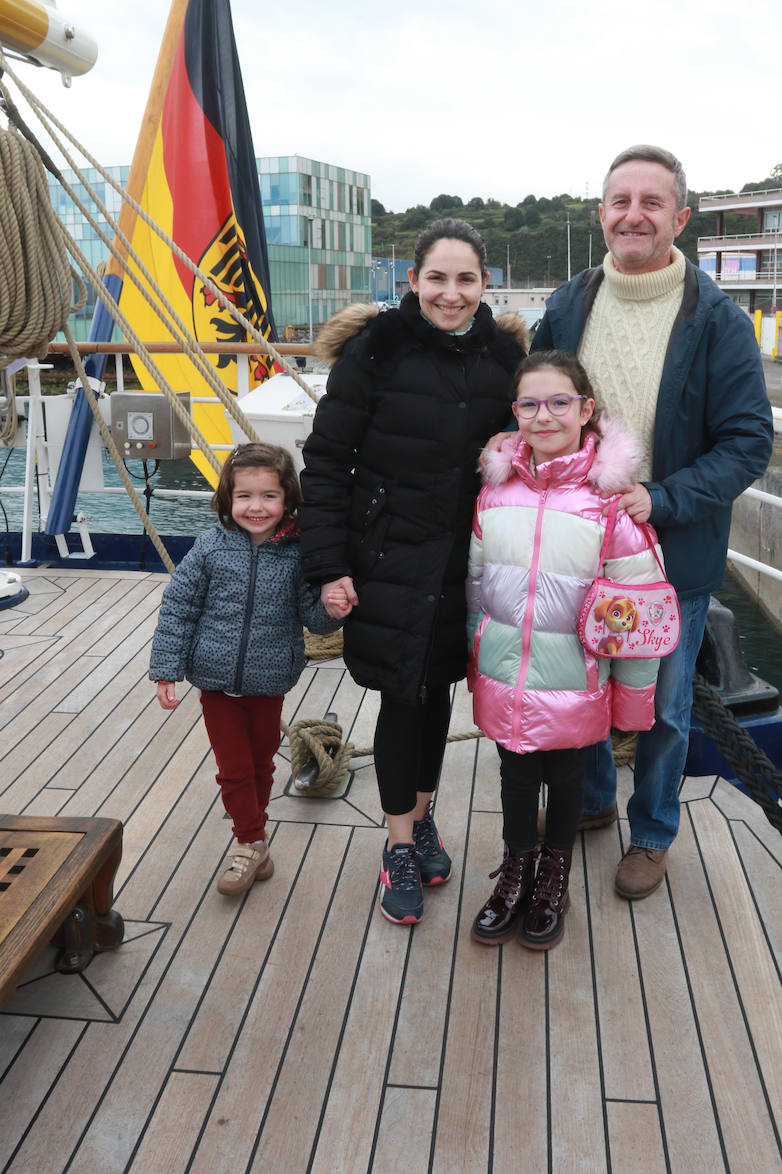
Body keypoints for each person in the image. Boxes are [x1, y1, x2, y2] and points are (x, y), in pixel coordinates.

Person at [529, 143, 773, 900]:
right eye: (620, 201)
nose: (634, 215)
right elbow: (537, 402)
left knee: (665, 706)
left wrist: (661, 499)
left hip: (672, 552)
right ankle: (596, 799)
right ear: (602, 214)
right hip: (579, 541)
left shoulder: (719, 321)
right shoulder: (570, 304)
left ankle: (655, 832)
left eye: (652, 202)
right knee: (585, 686)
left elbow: (748, 441)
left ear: (680, 217)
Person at [299, 217, 528, 926]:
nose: (451, 294)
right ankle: (400, 842)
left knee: (438, 692)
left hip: (467, 559)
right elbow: (329, 462)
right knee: (403, 695)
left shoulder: (505, 358)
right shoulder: (376, 351)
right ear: (413, 281)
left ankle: (421, 817)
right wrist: (328, 566)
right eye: (437, 278)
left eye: (465, 280)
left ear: (486, 283)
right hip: (389, 555)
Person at [467, 351, 662, 950]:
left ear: (586, 409)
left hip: (577, 675)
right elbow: (477, 588)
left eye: (558, 402)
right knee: (515, 773)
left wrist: (630, 701)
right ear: (514, 413)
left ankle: (554, 876)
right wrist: (477, 659)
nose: (543, 415)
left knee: (569, 773)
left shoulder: (613, 506)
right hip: (506, 670)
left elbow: (639, 620)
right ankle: (516, 868)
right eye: (528, 403)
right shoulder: (493, 494)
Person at [149, 442, 341, 896]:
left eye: (269, 496)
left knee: (260, 765)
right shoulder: (211, 547)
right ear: (227, 499)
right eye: (244, 497)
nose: (256, 507)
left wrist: (333, 608)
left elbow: (313, 618)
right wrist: (167, 668)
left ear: (288, 498)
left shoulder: (298, 555)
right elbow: (178, 607)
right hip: (215, 684)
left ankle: (255, 842)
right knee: (234, 770)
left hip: (270, 680)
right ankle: (249, 841)